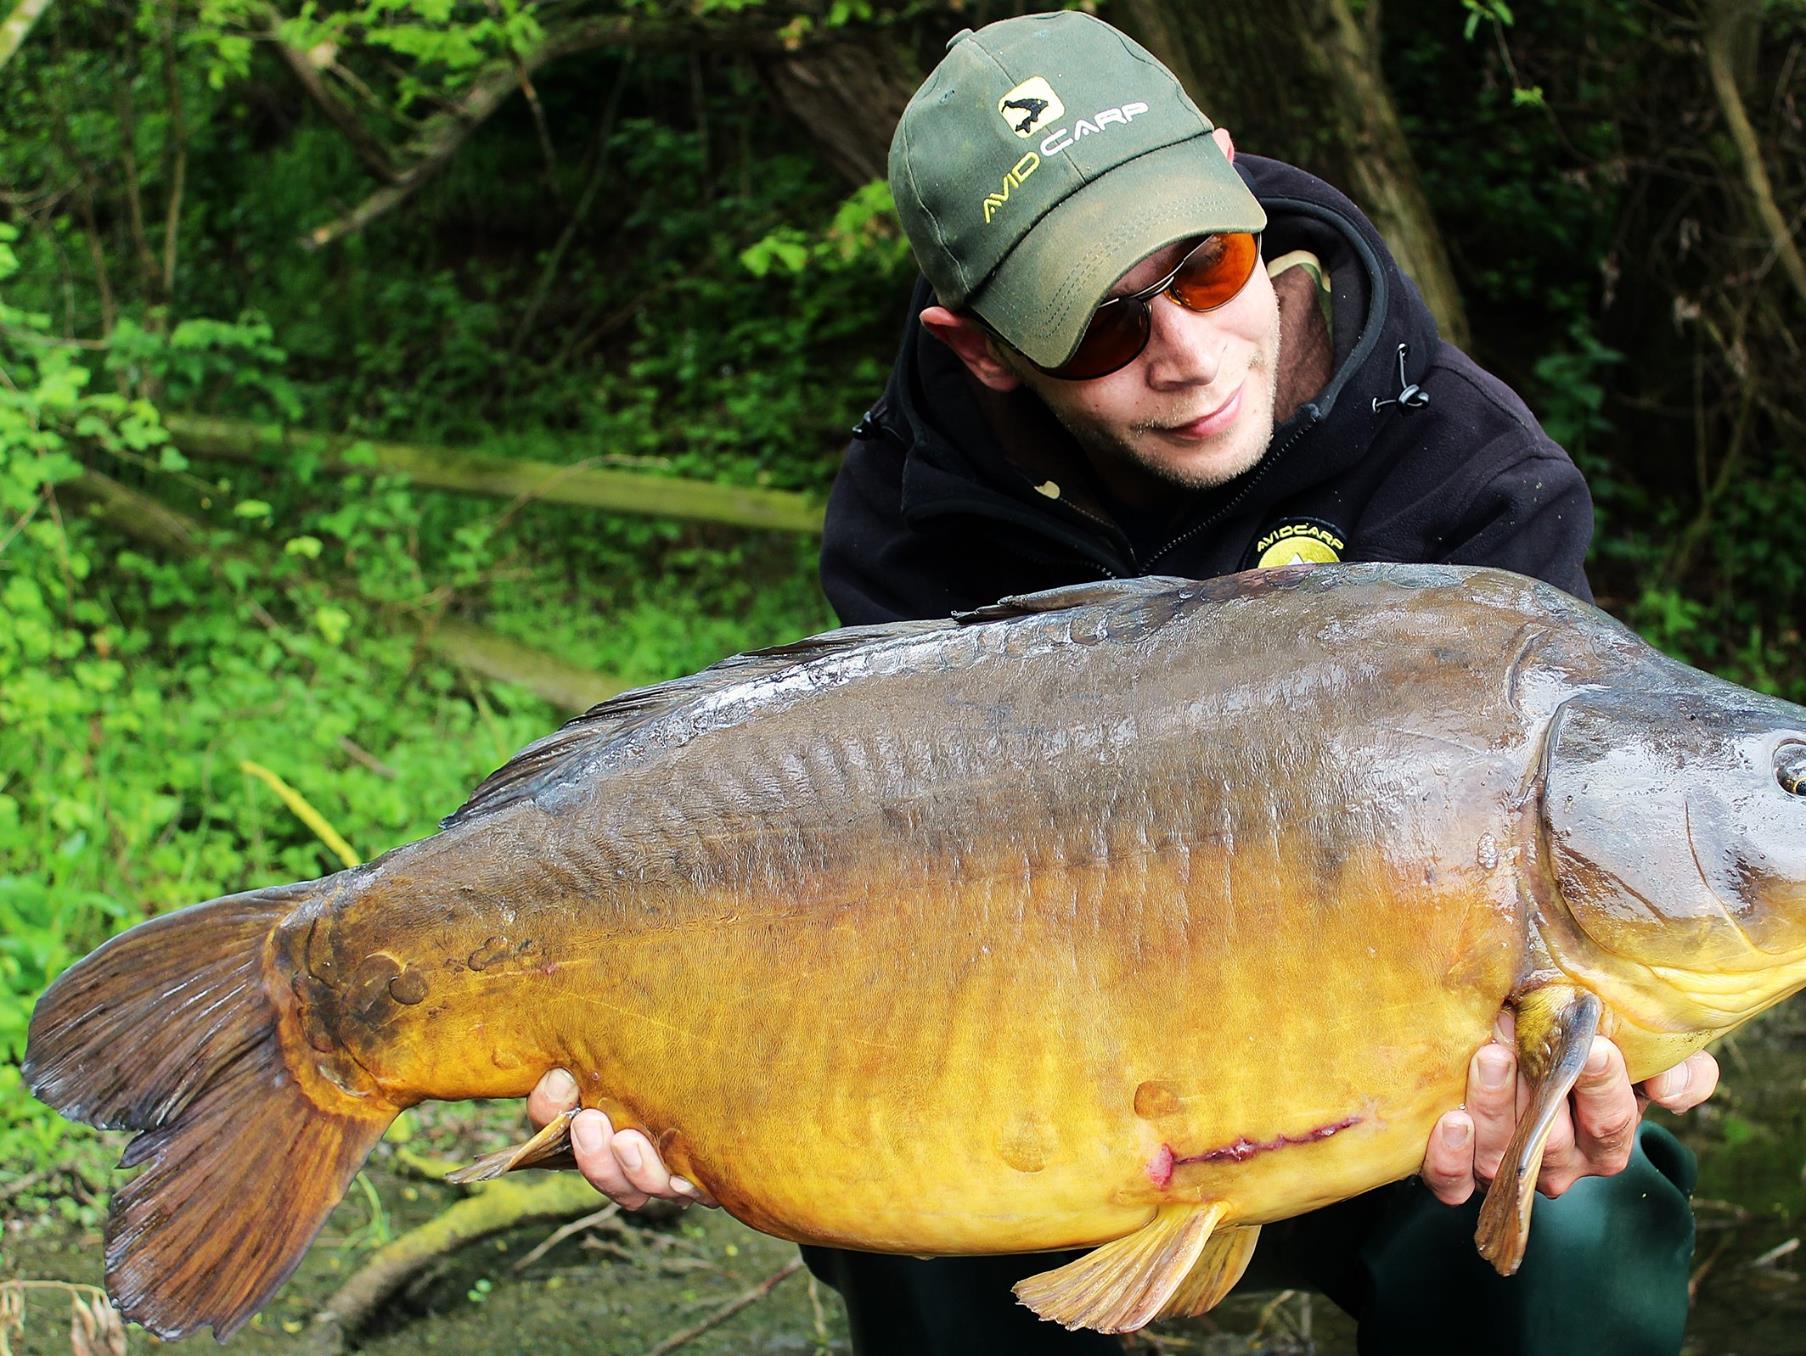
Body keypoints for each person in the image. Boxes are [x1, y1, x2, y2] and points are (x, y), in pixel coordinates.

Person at [528, 11, 1720, 1352]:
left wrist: (1592, 1057)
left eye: (1206, 267)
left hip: (1397, 1106)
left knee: (1579, 1219)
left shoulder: (1469, 470)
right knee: (892, 1210)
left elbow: (1562, 898)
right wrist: (687, 1078)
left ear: (1231, 181)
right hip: (1059, 1091)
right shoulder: (914, 513)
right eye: (1099, 327)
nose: (1190, 353)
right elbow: (871, 897)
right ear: (980, 347)